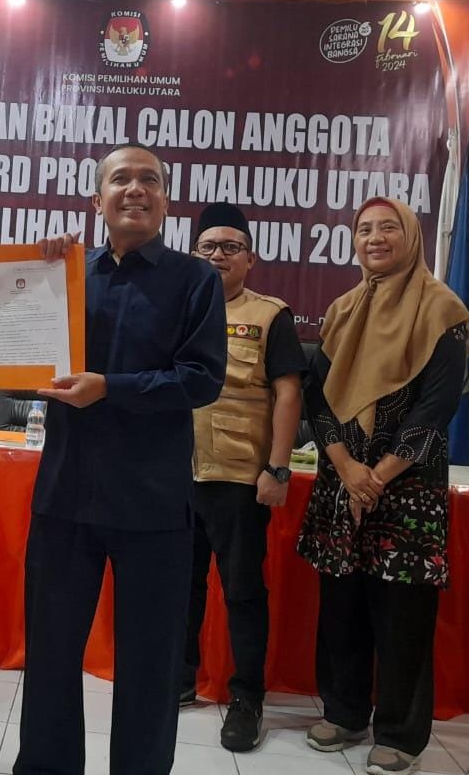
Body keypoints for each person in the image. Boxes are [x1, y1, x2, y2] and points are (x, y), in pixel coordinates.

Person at [14, 142, 227, 775]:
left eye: (150, 180)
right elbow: (23, 356)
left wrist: (112, 387)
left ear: (166, 200)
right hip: (66, 494)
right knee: (51, 656)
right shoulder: (66, 273)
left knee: (150, 664)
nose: (136, 189)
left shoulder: (196, 280)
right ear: (97, 200)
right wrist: (37, 275)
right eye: (121, 179)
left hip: (153, 502)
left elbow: (201, 380)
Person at [297, 197, 469, 775]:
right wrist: (346, 467)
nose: (374, 237)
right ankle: (345, 712)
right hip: (341, 480)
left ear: (411, 236)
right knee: (341, 606)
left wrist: (378, 476)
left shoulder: (443, 309)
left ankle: (399, 732)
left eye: (388, 227)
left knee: (403, 615)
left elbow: (436, 407)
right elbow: (318, 397)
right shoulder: (343, 309)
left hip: (408, 488)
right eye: (364, 229)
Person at [180, 202, 305, 753]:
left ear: (250, 259)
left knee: (243, 593)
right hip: (176, 473)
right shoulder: (176, 308)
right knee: (179, 587)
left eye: (231, 247)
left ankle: (247, 698)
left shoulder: (270, 315)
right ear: (194, 254)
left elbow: (288, 393)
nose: (218, 256)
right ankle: (179, 679)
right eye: (208, 246)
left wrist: (278, 468)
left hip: (238, 477)